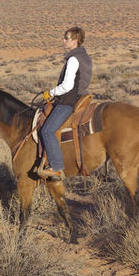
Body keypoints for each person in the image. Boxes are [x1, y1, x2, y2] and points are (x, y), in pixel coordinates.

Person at [38, 26, 92, 179]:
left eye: (66, 38)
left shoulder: (74, 59)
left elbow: (67, 86)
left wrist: (51, 92)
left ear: (75, 41)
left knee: (47, 130)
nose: (63, 40)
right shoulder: (85, 57)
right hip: (79, 97)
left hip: (68, 101)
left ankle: (56, 167)